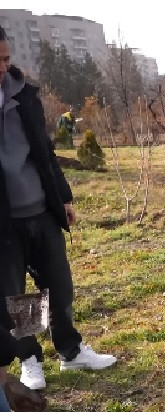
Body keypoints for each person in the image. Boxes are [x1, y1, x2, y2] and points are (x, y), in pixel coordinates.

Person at [0, 26, 117, 392]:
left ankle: (70, 350)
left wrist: (63, 197)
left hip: (41, 210)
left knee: (59, 286)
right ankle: (30, 359)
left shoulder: (24, 95)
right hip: (5, 222)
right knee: (20, 297)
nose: (3, 67)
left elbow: (45, 152)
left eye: (6, 58)